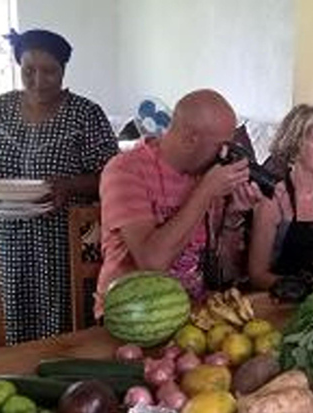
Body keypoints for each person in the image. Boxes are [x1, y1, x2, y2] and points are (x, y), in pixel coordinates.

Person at [0, 29, 118, 342]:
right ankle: (19, 371)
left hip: (63, 237)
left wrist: (70, 184)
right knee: (13, 308)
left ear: (64, 70)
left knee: (64, 318)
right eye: (29, 71)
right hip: (9, 234)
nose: (39, 80)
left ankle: (64, 377)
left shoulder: (85, 114)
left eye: (49, 71)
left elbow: (114, 177)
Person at [94, 89, 259, 317]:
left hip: (195, 313)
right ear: (191, 138)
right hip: (133, 314)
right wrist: (205, 192)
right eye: (221, 146)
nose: (225, 155)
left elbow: (225, 273)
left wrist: (233, 217)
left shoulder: (208, 173)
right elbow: (152, 263)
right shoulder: (124, 170)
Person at [248, 104, 313, 290]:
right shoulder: (274, 201)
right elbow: (257, 275)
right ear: (296, 145)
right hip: (285, 302)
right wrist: (298, 289)